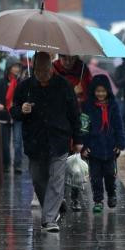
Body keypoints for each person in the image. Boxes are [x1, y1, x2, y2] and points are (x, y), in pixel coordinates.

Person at [11, 52, 83, 233]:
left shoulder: (64, 86)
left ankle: (49, 219)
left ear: (51, 67)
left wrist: (78, 140)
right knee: (38, 179)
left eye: (46, 69)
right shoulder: (25, 87)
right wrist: (22, 110)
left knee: (57, 180)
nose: (42, 73)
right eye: (39, 70)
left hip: (59, 140)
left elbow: (75, 114)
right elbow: (13, 111)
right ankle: (55, 205)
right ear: (34, 69)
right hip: (35, 142)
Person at [81, 75, 125, 213]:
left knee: (109, 175)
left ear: (108, 91)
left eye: (103, 91)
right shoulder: (87, 106)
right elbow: (84, 128)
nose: (100, 94)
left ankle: (112, 194)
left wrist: (120, 144)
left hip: (110, 148)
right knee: (95, 177)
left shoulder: (113, 106)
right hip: (94, 149)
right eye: (97, 91)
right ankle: (98, 200)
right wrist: (84, 146)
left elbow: (119, 125)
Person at [53, 54, 92, 211]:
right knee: (60, 161)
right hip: (60, 121)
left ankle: (75, 197)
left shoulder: (83, 70)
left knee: (77, 160)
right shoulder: (53, 69)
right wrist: (70, 92)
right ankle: (60, 197)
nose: (68, 62)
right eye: (64, 58)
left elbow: (92, 94)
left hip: (79, 122)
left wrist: (82, 95)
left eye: (71, 59)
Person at [0, 58, 23, 174]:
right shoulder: (1, 81)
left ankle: (17, 165)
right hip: (4, 115)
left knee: (17, 143)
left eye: (18, 66)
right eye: (14, 66)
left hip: (17, 115)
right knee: (5, 144)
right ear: (9, 67)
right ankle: (6, 164)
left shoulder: (22, 82)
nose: (17, 69)